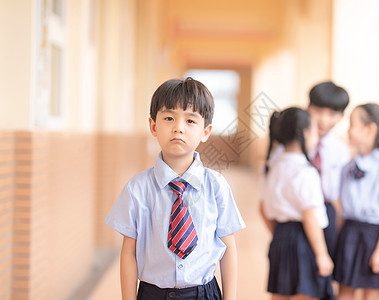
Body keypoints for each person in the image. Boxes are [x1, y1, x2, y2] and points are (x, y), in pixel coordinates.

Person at [105, 77, 246, 300]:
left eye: (190, 121)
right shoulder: (137, 189)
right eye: (169, 118)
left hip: (203, 293)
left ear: (206, 131)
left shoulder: (216, 186)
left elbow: (228, 248)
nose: (178, 128)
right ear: (153, 126)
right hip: (152, 293)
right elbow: (129, 253)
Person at [333, 103, 379, 300]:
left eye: (352, 125)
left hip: (373, 236)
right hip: (349, 233)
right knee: (345, 291)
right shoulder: (348, 166)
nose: (348, 131)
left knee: (372, 292)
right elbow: (341, 208)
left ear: (370, 129)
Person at [261, 107, 334, 300]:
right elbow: (309, 216)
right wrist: (322, 254)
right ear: (306, 133)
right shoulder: (305, 171)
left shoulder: (272, 167)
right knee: (306, 292)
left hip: (280, 237)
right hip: (305, 239)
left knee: (280, 293)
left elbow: (262, 208)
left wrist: (279, 234)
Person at [308, 81, 351, 258]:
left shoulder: (340, 150)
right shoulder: (293, 144)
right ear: (308, 107)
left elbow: (343, 193)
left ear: (341, 116)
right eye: (318, 111)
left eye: (332, 114)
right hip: (299, 213)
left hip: (327, 213)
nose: (324, 120)